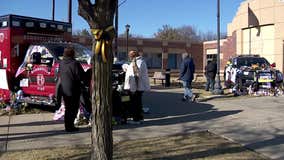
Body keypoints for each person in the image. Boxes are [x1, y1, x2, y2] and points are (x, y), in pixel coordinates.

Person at [59, 46, 84, 132]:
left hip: (65, 88)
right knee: (73, 108)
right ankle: (71, 126)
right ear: (72, 54)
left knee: (68, 108)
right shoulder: (75, 63)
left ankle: (68, 126)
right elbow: (80, 76)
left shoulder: (61, 63)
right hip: (74, 88)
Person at [124, 50, 150, 124]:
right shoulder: (140, 61)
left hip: (135, 87)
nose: (129, 57)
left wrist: (133, 88)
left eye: (130, 55)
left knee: (134, 103)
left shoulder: (136, 62)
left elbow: (135, 76)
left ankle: (136, 119)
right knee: (138, 103)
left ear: (132, 56)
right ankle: (140, 118)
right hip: (139, 87)